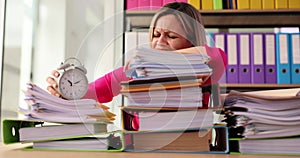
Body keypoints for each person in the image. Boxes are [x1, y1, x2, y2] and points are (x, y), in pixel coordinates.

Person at [46, 2, 228, 107]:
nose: (160, 41)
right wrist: (63, 91)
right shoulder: (136, 71)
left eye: (171, 36)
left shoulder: (205, 71)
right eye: (156, 35)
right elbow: (94, 91)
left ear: (192, 41)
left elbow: (218, 56)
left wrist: (163, 59)